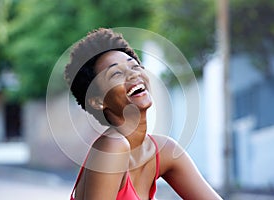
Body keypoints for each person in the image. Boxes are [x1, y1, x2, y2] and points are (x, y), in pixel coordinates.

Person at [64, 28, 222, 200]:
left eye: (134, 66)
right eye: (116, 73)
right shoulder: (112, 146)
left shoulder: (165, 151)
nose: (133, 74)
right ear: (98, 100)